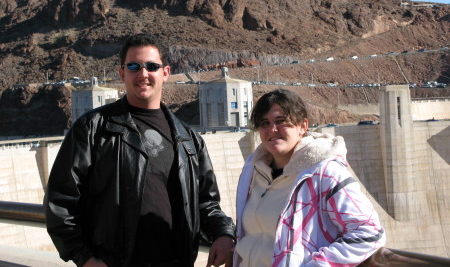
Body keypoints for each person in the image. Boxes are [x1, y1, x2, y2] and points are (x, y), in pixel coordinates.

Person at [44, 34, 236, 267]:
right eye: (134, 66)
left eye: (152, 67)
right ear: (122, 73)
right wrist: (85, 258)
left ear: (165, 73)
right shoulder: (94, 128)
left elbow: (206, 202)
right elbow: (60, 200)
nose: (143, 74)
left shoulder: (188, 139)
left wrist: (224, 234)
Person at [233, 89, 386, 267]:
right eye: (264, 123)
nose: (272, 130)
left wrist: (319, 264)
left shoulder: (325, 172)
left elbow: (369, 233)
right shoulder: (253, 171)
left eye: (281, 122)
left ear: (303, 126)